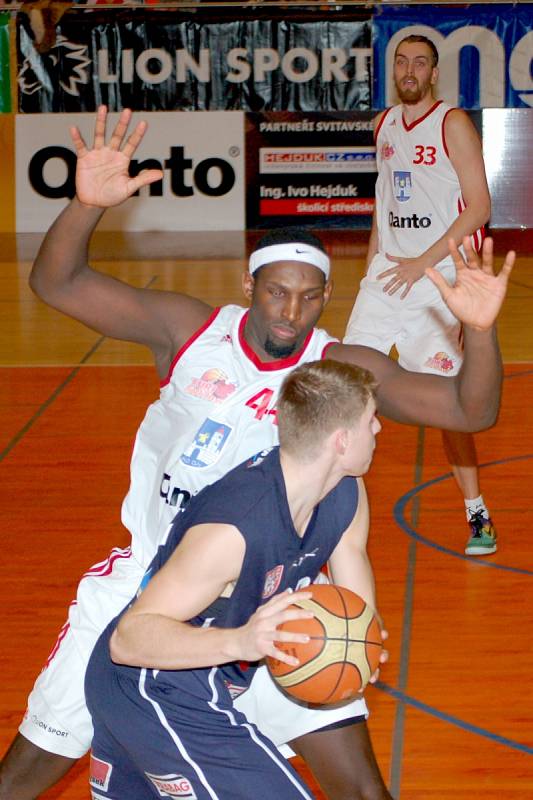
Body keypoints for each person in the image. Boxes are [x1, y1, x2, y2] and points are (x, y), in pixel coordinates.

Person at [0, 105, 514, 800]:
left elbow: (468, 410)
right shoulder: (187, 331)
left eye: (307, 298)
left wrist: (478, 331)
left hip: (277, 608)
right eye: (276, 293)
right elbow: (55, 285)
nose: (289, 313)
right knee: (28, 771)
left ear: (325, 299)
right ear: (250, 288)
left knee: (362, 789)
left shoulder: (340, 368)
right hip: (151, 591)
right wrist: (85, 205)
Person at [84, 359, 381, 798]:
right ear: (341, 440)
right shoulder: (234, 529)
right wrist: (243, 642)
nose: (378, 430)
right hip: (153, 685)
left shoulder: (346, 491)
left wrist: (360, 644)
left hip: (209, 679)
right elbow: (127, 641)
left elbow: (352, 570)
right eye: (371, 420)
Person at [343, 34, 497, 556]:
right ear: (394, 71)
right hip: (388, 277)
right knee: (343, 391)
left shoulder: (452, 123)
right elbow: (382, 202)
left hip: (436, 282)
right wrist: (373, 264)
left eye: (420, 63)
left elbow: (477, 206)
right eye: (401, 61)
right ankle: (324, 518)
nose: (409, 70)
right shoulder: (384, 124)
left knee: (447, 406)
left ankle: (477, 512)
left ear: (433, 74)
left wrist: (422, 262)